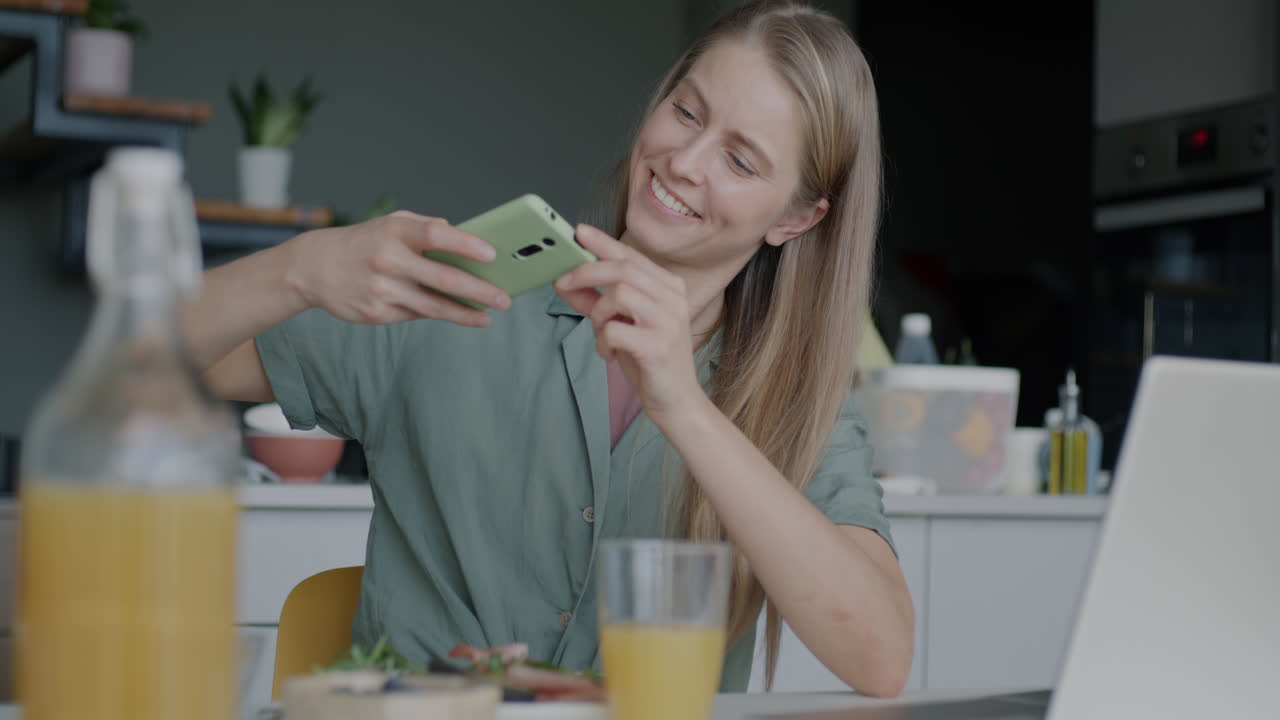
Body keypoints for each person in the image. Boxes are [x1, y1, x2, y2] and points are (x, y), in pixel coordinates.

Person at [187, 0, 913, 697]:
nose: (685, 161)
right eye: (686, 111)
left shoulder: (799, 408)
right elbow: (141, 359)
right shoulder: (458, 298)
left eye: (741, 161)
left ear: (795, 218)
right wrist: (300, 269)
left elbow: (880, 659)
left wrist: (685, 406)